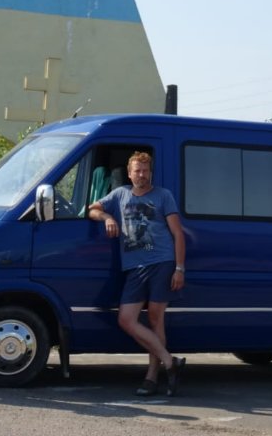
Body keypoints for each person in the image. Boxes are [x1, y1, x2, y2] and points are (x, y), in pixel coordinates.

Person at [87, 151, 187, 396]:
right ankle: (170, 361)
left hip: (162, 263)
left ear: (150, 172)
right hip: (134, 267)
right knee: (126, 319)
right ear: (129, 174)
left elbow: (178, 234)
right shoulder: (120, 194)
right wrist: (107, 217)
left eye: (145, 170)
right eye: (137, 171)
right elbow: (92, 209)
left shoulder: (163, 196)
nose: (141, 175)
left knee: (155, 318)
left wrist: (179, 268)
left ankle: (151, 378)